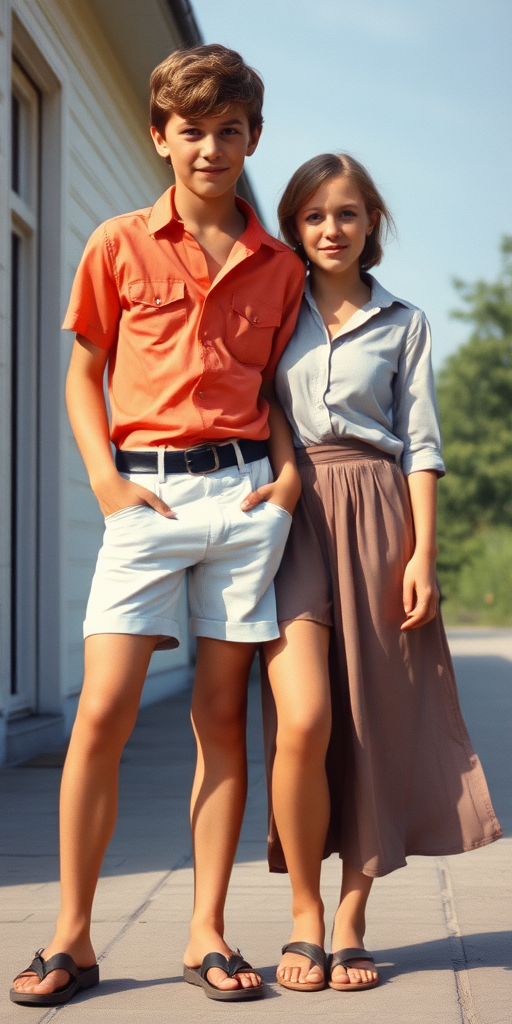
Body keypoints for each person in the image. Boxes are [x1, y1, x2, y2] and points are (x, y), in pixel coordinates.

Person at [10, 44, 304, 1007]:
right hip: (145, 499)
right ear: (159, 138)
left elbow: (281, 392)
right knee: (100, 712)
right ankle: (72, 937)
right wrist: (105, 482)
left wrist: (289, 475)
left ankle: (208, 934)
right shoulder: (117, 243)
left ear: (252, 138)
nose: (211, 149)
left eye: (230, 132)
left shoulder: (281, 266)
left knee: (221, 719)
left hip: (243, 501)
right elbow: (81, 372)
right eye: (192, 132)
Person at [252, 153, 502, 993]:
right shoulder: (273, 310)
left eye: (348, 213)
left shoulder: (406, 321)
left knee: (372, 719)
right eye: (315, 214)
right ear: (294, 223)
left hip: (380, 513)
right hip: (292, 518)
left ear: (372, 225)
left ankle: (352, 918)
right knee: (305, 719)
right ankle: (302, 912)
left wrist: (424, 553)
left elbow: (423, 444)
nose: (331, 228)